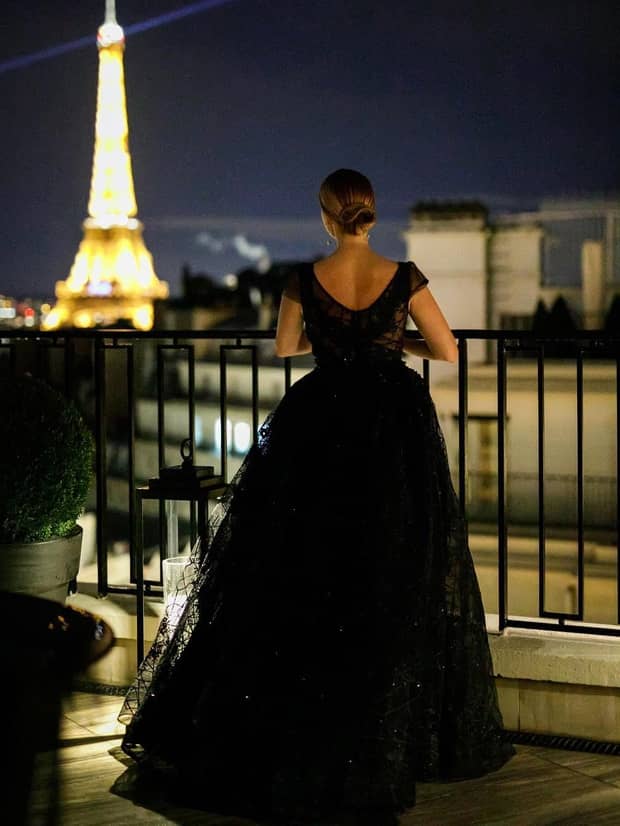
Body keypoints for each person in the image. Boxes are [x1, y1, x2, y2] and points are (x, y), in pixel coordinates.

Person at [119, 169, 515, 825]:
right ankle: (377, 739)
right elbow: (446, 350)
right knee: (388, 573)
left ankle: (302, 726)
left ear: (327, 218)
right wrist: (391, 342)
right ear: (372, 214)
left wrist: (344, 344)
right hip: (393, 432)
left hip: (322, 423)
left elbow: (285, 346)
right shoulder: (405, 275)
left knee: (300, 573)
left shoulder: (303, 279)